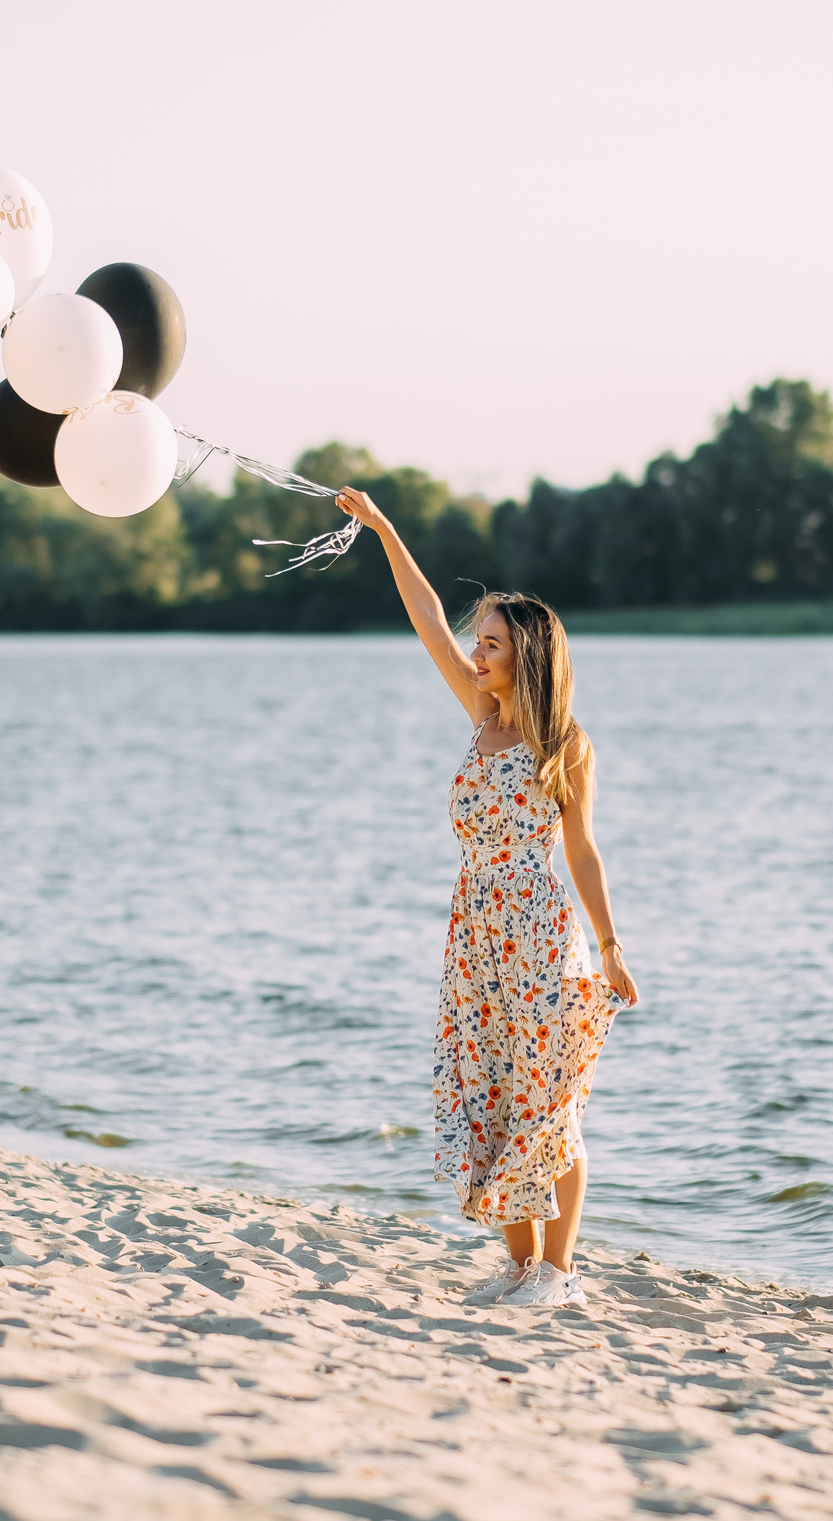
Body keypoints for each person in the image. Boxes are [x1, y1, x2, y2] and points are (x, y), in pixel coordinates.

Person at [334, 487, 641, 1310]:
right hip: (474, 936)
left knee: (550, 1103)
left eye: (493, 643)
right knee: (491, 1096)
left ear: (527, 655)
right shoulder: (480, 714)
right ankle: (516, 1264)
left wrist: (610, 947)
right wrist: (385, 531)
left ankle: (559, 1271)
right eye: (480, 641)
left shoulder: (563, 742)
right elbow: (426, 617)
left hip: (540, 934)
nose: (476, 652)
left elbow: (580, 849)